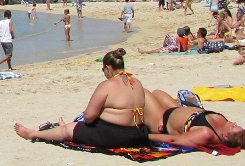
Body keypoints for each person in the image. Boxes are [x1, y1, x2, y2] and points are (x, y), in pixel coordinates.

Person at [14, 48, 148, 148]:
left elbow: (89, 117)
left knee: (68, 130)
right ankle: (64, 126)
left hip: (117, 136)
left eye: (103, 70)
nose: (104, 73)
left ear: (108, 68)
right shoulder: (136, 82)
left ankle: (33, 134)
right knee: (75, 126)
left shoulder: (107, 85)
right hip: (138, 134)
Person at [143, 89, 245, 149]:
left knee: (141, 91)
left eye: (233, 126)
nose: (233, 122)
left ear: (226, 136)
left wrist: (142, 135)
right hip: (175, 110)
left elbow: (174, 139)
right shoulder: (224, 124)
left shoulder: (206, 133)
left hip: (162, 121)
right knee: (158, 92)